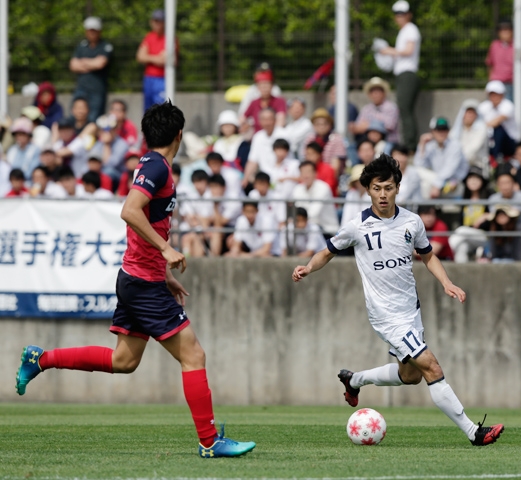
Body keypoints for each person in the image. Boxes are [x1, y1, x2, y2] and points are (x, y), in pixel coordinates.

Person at [15, 101, 256, 458]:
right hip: (141, 282)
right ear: (179, 134)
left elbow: (148, 220)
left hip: (139, 277)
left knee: (123, 362)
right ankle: (209, 441)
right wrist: (166, 251)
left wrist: (164, 274)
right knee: (194, 355)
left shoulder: (151, 163)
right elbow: (129, 211)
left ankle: (41, 359)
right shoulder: (158, 165)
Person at [292, 154, 504, 447]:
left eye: (388, 188)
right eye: (377, 188)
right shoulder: (357, 226)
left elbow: (428, 255)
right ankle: (473, 432)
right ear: (368, 190)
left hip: (410, 311)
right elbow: (327, 252)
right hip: (385, 314)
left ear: (397, 188)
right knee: (431, 367)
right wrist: (308, 267)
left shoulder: (412, 222)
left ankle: (354, 380)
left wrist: (447, 282)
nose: (382, 194)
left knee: (411, 376)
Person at [374, 1, 421, 150]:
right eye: (397, 14)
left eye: (402, 14)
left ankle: (410, 145)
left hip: (408, 74)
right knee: (404, 110)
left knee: (406, 110)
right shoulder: (404, 31)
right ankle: (409, 143)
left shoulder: (410, 29)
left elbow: (408, 51)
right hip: (402, 74)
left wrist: (389, 51)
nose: (399, 17)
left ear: (409, 15)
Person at [69, 17, 113, 122]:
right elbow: (73, 65)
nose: (92, 33)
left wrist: (82, 62)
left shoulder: (105, 46)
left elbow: (100, 63)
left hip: (97, 90)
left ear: (99, 31)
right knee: (75, 117)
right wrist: (92, 63)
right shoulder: (81, 46)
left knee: (94, 118)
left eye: (94, 30)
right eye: (90, 30)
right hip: (81, 88)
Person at [415, 117, 468, 198]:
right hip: (439, 181)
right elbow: (419, 165)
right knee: (419, 176)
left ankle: (428, 209)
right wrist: (422, 144)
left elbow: (449, 169)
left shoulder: (455, 145)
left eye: (444, 129)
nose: (441, 133)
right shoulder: (430, 146)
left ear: (448, 131)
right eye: (438, 130)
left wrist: (436, 185)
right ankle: (427, 210)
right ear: (432, 131)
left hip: (455, 182)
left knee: (426, 184)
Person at [448, 167, 493, 263]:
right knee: (461, 247)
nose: (473, 181)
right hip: (467, 236)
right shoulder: (465, 199)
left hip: (484, 236)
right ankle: (460, 275)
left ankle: (444, 251)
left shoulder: (489, 196)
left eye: (476, 178)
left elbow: (497, 212)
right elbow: (461, 221)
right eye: (470, 178)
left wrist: (486, 216)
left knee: (461, 231)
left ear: (482, 181)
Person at [137, 9, 178, 112]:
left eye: (160, 21)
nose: (157, 24)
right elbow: (140, 56)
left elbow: (167, 59)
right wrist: (156, 58)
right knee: (148, 109)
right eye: (155, 20)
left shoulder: (170, 38)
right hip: (149, 78)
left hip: (162, 79)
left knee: (161, 108)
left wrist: (149, 57)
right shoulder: (149, 37)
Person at [485, 19, 521, 101]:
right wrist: (490, 83)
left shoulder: (520, 46)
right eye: (502, 30)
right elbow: (490, 65)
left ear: (512, 31)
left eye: (507, 29)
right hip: (495, 85)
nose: (505, 32)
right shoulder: (494, 46)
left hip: (511, 85)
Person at [243, 108, 288, 187]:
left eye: (269, 119)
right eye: (264, 119)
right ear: (259, 121)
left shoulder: (284, 134)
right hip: (264, 181)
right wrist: (245, 178)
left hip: (283, 178)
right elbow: (252, 160)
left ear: (275, 120)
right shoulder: (257, 137)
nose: (267, 122)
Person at [291, 161, 339, 234]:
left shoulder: (323, 188)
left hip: (327, 230)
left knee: (312, 227)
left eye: (308, 172)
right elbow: (298, 211)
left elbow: (313, 214)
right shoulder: (297, 189)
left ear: (315, 173)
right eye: (303, 172)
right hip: (305, 227)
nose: (306, 175)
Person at [301, 108, 346, 185]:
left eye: (324, 124)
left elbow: (336, 167)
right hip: (312, 176)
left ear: (330, 125)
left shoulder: (336, 139)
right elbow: (306, 160)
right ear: (314, 126)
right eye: (318, 124)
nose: (321, 126)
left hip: (329, 177)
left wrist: (329, 179)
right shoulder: (309, 138)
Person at [478, 80, 520, 160]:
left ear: (502, 95)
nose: (494, 97)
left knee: (498, 129)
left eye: (496, 94)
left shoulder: (508, 105)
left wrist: (482, 126)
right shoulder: (484, 106)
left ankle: (495, 158)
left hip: (510, 142)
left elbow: (496, 122)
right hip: (490, 140)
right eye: (491, 94)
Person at [240, 69, 287, 133]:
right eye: (262, 86)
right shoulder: (254, 103)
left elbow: (280, 121)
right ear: (258, 88)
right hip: (256, 137)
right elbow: (242, 118)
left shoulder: (279, 101)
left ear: (272, 86)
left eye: (267, 85)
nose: (264, 88)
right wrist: (246, 125)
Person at [449, 99, 489, 174]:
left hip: (477, 167)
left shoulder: (482, 129)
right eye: (468, 112)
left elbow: (473, 149)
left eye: (473, 113)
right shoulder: (455, 130)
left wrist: (456, 161)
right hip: (458, 166)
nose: (470, 115)